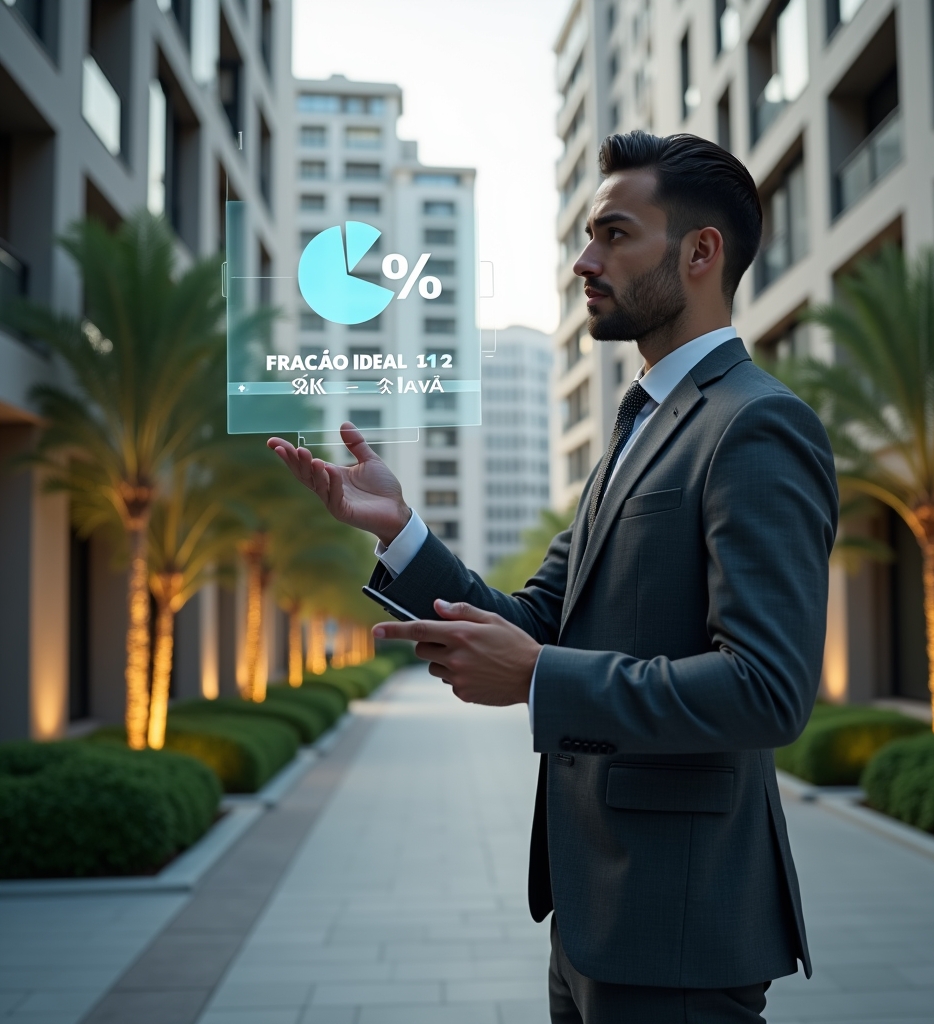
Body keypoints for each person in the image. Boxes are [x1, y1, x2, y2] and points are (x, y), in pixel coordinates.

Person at [269, 130, 838, 1024]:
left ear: (701, 252)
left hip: (677, 929)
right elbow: (541, 612)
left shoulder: (757, 424)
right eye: (587, 235)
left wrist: (538, 678)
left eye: (615, 234)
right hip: (588, 913)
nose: (585, 260)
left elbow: (767, 689)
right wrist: (402, 531)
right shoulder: (640, 424)